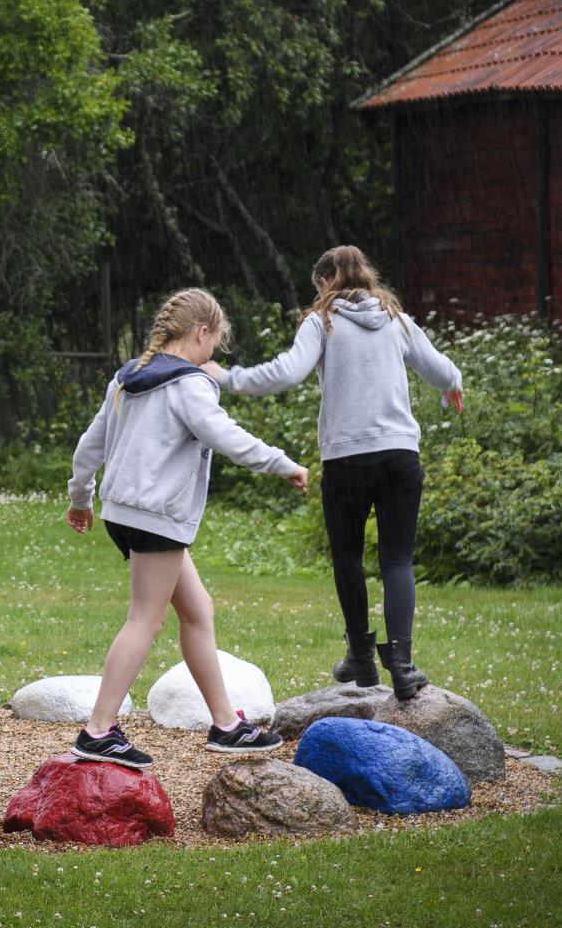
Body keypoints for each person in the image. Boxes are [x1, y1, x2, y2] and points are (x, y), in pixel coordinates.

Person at [204, 245, 463, 701]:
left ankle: (361, 657)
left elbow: (287, 373)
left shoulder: (321, 320)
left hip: (346, 459)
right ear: (365, 276)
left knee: (347, 557)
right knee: (397, 559)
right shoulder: (396, 319)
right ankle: (401, 664)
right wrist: (450, 393)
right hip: (400, 455)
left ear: (326, 282)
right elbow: (443, 371)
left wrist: (227, 377)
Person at [66, 288, 309, 768]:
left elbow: (89, 446)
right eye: (214, 343)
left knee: (197, 609)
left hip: (124, 511)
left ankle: (226, 725)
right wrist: (283, 464)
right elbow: (227, 437)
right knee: (145, 619)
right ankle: (98, 731)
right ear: (201, 332)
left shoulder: (128, 377)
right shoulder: (187, 383)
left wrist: (80, 497)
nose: (212, 354)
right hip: (157, 517)